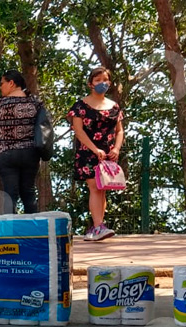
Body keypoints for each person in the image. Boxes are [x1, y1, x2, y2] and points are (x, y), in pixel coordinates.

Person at [67, 67, 125, 241]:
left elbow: (120, 130)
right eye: (98, 80)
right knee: (94, 187)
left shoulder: (114, 106)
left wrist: (116, 149)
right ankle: (99, 226)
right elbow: (78, 130)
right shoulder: (80, 106)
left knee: (103, 189)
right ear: (90, 83)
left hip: (108, 154)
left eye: (105, 80)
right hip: (88, 152)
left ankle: (97, 227)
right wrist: (94, 149)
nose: (102, 83)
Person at [0, 70, 44, 214]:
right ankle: (33, 226)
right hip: (30, 153)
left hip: (6, 153)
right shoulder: (35, 102)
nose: (0, 87)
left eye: (2, 83)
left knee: (10, 193)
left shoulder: (0, 104)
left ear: (11, 83)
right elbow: (43, 125)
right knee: (29, 192)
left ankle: (10, 227)